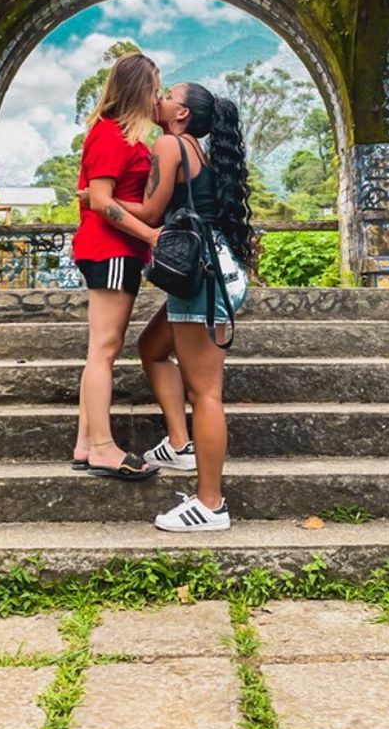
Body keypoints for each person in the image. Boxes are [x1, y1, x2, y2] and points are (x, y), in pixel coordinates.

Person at [113, 82, 253, 530]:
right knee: (151, 347)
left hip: (203, 278)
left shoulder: (169, 143)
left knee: (206, 393)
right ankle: (178, 442)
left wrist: (103, 200)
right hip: (213, 270)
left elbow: (151, 214)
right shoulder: (196, 148)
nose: (158, 98)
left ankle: (211, 504)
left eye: (168, 94)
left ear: (182, 114)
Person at [70, 51, 162, 480]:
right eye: (154, 89)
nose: (157, 97)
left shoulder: (116, 135)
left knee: (102, 349)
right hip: (110, 250)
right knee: (104, 350)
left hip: (114, 251)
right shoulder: (111, 136)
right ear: (139, 90)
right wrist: (149, 236)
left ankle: (87, 443)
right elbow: (100, 200)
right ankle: (104, 447)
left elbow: (99, 196)